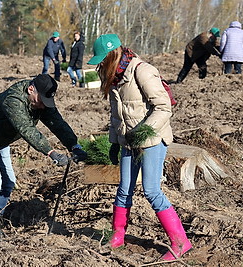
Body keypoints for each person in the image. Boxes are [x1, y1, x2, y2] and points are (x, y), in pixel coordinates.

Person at [87, 34, 192, 261]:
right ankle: (118, 236)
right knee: (124, 188)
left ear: (112, 55)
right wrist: (115, 142)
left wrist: (144, 131)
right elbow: (116, 116)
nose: (101, 66)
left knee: (151, 190)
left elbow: (163, 107)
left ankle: (181, 242)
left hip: (153, 140)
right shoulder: (115, 79)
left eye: (102, 60)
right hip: (128, 142)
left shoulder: (142, 71)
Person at [0, 74, 87, 241]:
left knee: (9, 182)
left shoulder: (39, 102)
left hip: (0, 139)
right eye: (42, 100)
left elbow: (57, 123)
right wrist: (51, 153)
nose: (44, 105)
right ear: (31, 89)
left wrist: (74, 146)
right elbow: (27, 129)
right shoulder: (14, 101)